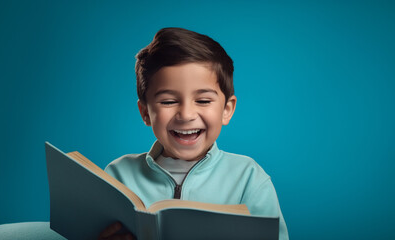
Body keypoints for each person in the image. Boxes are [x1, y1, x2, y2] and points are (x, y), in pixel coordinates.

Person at [98, 27, 289, 240]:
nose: (186, 114)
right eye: (168, 101)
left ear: (227, 110)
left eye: (203, 101)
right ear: (146, 113)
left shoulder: (249, 179)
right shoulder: (118, 175)